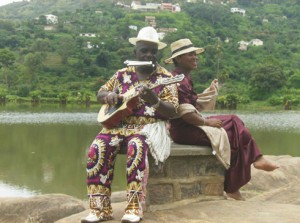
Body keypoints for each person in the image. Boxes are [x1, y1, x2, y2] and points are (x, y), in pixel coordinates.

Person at [81, 27, 179, 223]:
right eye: (144, 50)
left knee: (137, 146)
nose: (149, 54)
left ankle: (134, 208)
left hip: (148, 127)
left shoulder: (166, 77)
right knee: (96, 148)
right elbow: (100, 93)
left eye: (153, 51)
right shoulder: (122, 74)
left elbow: (173, 111)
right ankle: (99, 209)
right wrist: (110, 97)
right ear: (136, 51)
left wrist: (154, 100)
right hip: (117, 124)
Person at [164, 38, 279, 201]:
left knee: (235, 123)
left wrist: (209, 92)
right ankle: (237, 181)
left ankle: (252, 166)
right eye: (190, 54)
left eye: (195, 54)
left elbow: (192, 103)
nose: (195, 57)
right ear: (178, 59)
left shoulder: (184, 77)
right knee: (237, 134)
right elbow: (185, 113)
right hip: (185, 130)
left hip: (189, 126)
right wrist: (207, 122)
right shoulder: (178, 80)